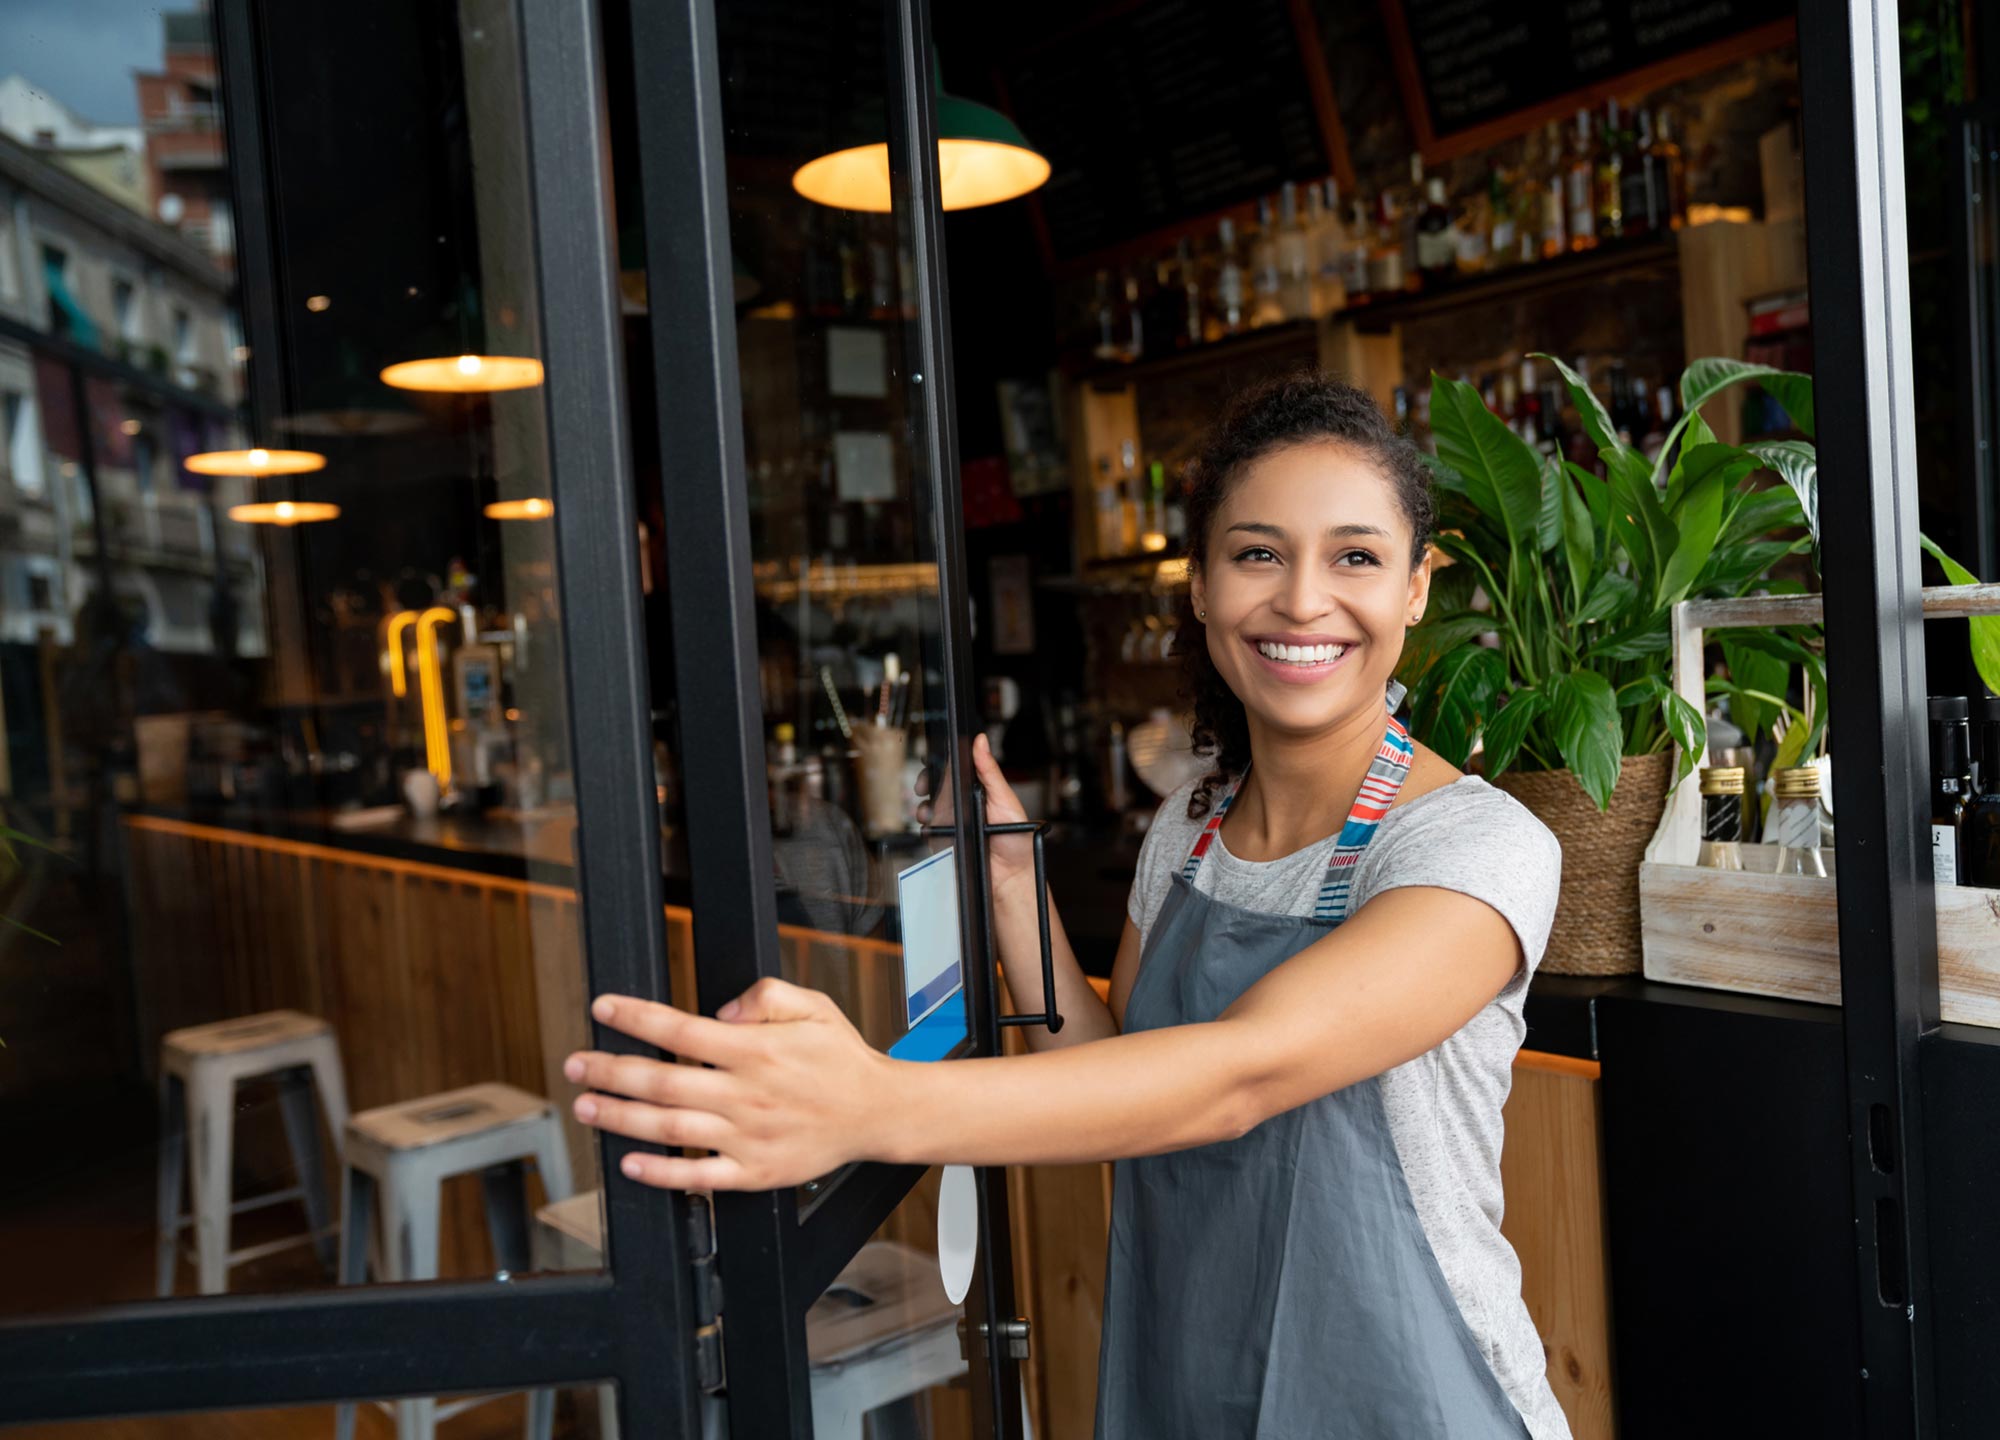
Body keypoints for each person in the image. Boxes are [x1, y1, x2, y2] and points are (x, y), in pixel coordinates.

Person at [564, 372, 1572, 1439]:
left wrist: (867, 1107)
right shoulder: (1187, 824)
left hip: (1406, 1399)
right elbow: (1117, 1079)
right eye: (1257, 553)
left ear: (1416, 587)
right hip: (1184, 1378)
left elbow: (1238, 1075)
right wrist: (1012, 892)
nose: (1301, 600)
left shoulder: (1472, 846)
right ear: (1198, 585)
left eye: (1355, 557)